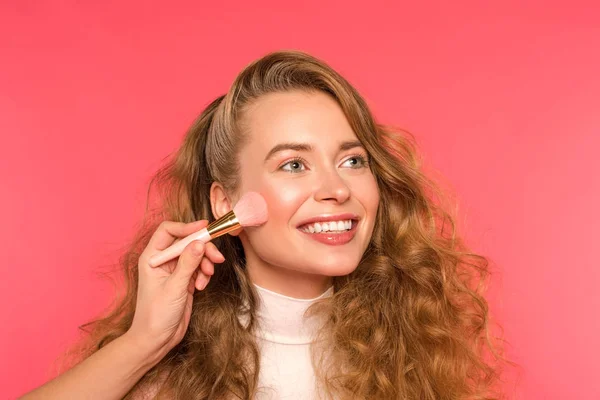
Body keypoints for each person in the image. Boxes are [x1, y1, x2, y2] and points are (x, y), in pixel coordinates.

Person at [20, 50, 511, 400]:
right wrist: (144, 343)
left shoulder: (415, 356)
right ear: (225, 203)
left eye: (354, 160)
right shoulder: (170, 376)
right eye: (294, 165)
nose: (337, 189)